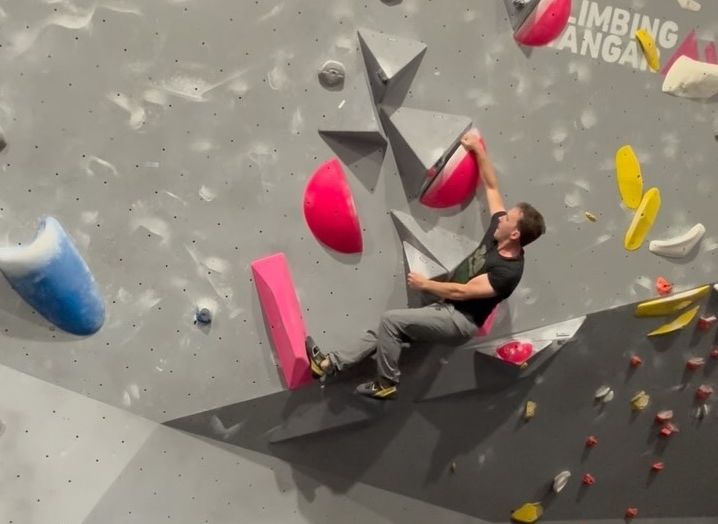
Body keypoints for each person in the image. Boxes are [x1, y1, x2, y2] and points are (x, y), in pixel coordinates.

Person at [305, 132, 546, 399]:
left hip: (459, 321)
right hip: (444, 308)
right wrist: (478, 150)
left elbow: (462, 293)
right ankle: (327, 364)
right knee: (383, 333)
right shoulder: (497, 232)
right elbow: (491, 188)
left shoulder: (509, 271)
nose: (502, 218)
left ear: (515, 234)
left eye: (509, 219)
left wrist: (425, 284)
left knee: (391, 322)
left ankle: (386, 383)